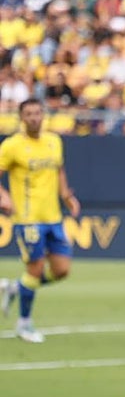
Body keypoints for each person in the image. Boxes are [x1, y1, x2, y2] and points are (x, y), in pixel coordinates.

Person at [0, 98, 81, 343]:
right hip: (28, 219)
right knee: (34, 270)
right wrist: (3, 197)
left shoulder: (53, 141)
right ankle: (24, 324)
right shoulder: (12, 146)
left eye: (37, 113)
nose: (34, 117)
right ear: (21, 117)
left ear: (43, 115)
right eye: (29, 114)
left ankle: (16, 287)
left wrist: (67, 196)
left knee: (61, 270)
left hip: (53, 217)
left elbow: (59, 170)